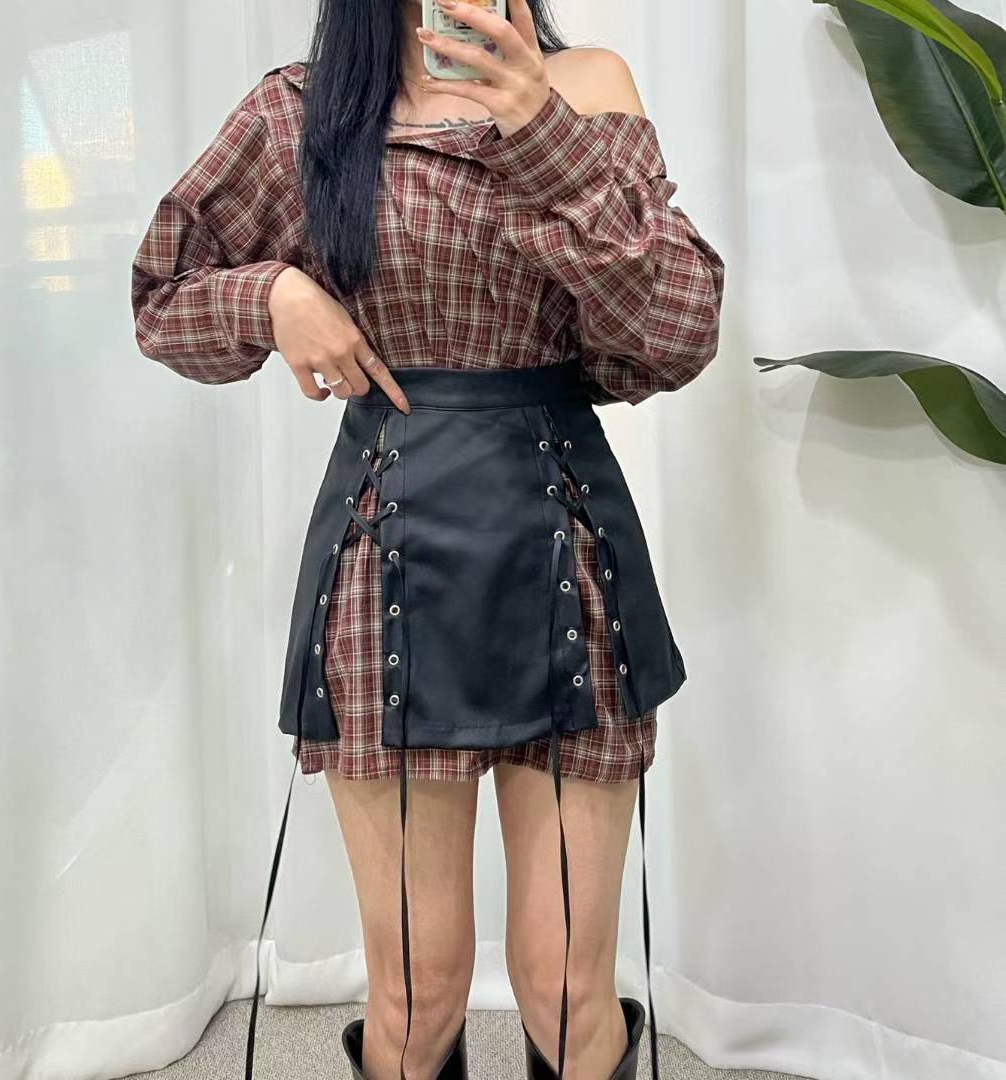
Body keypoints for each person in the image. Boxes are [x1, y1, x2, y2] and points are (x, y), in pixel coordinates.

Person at [130, 0, 725, 1076]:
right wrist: (272, 294)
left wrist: (540, 130)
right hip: (383, 560)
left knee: (566, 989)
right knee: (418, 987)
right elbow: (160, 297)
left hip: (567, 546)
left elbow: (677, 334)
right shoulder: (302, 111)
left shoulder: (586, 88)